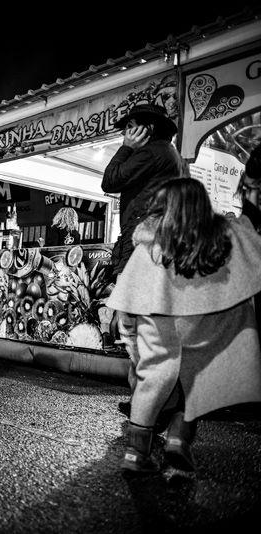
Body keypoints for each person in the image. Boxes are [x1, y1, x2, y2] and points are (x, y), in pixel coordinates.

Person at [107, 178, 261, 473]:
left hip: (156, 315)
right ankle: (179, 438)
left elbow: (129, 289)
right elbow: (251, 252)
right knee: (199, 375)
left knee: (153, 376)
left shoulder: (150, 242)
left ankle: (135, 452)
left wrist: (124, 321)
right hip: (203, 318)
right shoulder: (223, 237)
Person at [101, 103, 188, 415]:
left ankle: (156, 404)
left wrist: (125, 149)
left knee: (136, 328)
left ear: (145, 129)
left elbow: (109, 180)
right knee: (146, 330)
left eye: (132, 126)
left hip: (143, 251)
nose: (127, 132)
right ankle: (147, 399)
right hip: (155, 250)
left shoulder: (152, 152)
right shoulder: (169, 155)